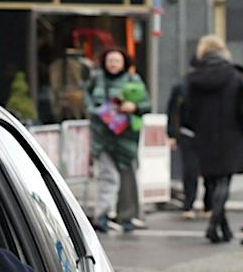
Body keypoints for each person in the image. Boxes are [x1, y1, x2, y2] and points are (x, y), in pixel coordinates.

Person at [181, 34, 243, 244]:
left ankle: (223, 228)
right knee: (224, 179)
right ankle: (214, 222)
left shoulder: (194, 78)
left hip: (204, 134)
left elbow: (187, 108)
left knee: (212, 180)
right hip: (231, 134)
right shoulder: (235, 76)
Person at [86, 46, 150, 234]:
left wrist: (134, 107)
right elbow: (88, 100)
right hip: (103, 136)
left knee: (128, 176)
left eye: (117, 61)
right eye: (110, 60)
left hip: (126, 136)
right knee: (107, 176)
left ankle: (127, 216)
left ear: (124, 63)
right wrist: (96, 111)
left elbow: (147, 104)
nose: (113, 64)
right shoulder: (96, 79)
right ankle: (102, 215)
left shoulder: (133, 80)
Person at [165, 52, 201, 213]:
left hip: (206, 133)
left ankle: (206, 204)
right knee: (190, 170)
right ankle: (189, 203)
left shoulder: (210, 86)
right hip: (187, 132)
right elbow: (173, 111)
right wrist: (172, 134)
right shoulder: (181, 87)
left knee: (205, 171)